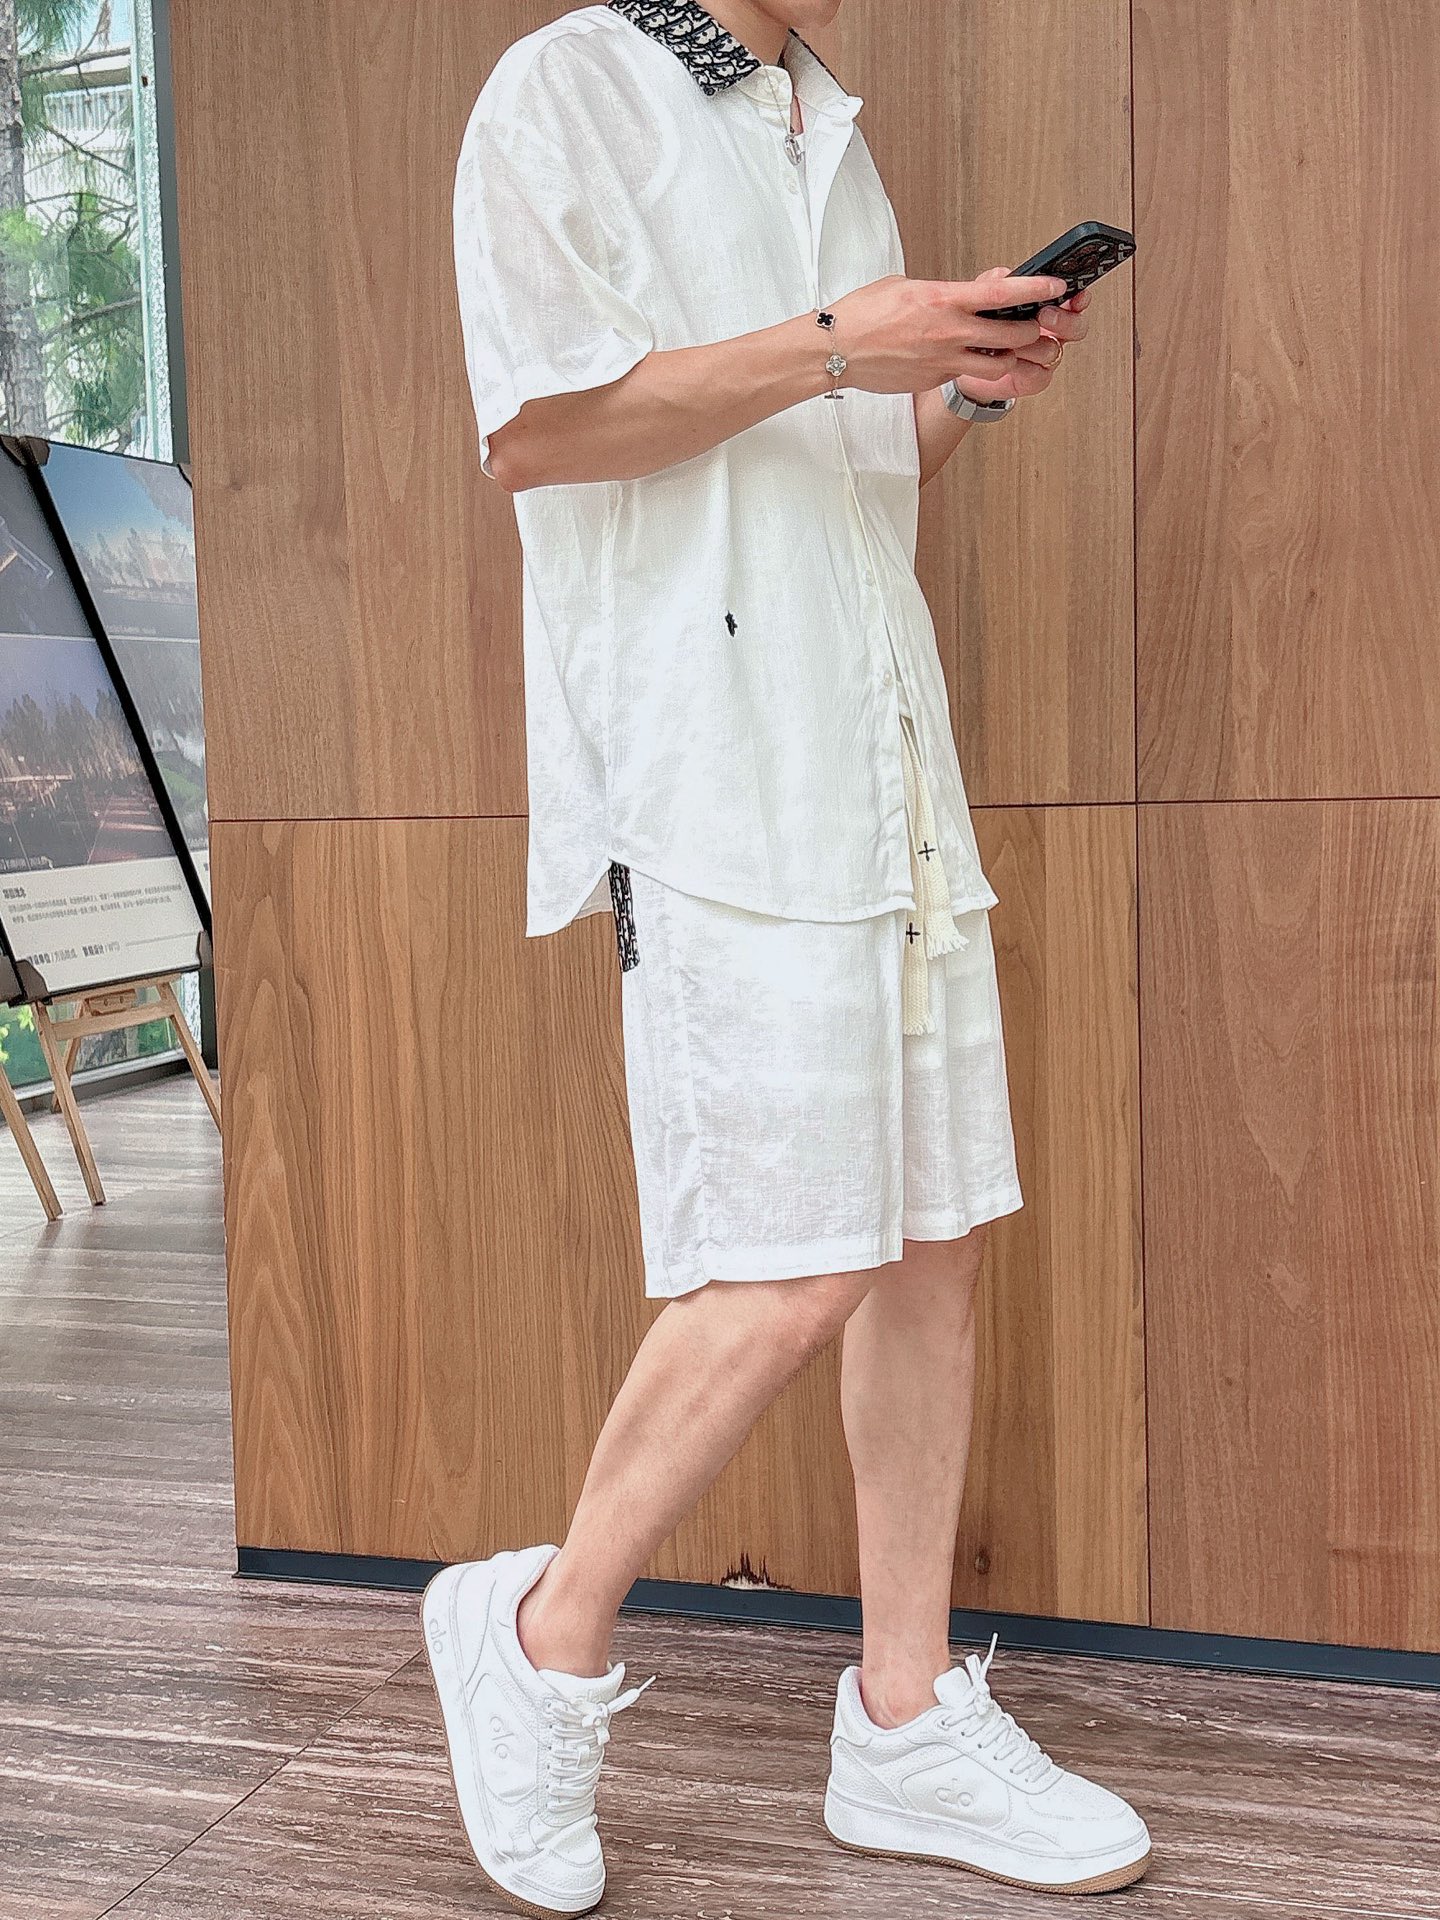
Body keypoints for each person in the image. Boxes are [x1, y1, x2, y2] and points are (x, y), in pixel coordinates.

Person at [426, 2, 1150, 1912]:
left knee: (928, 1236)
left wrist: (959, 387)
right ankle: (539, 1638)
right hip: (716, 772)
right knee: (793, 1256)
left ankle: (904, 1720)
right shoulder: (570, 86)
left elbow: (843, 469)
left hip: (881, 750)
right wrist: (847, 334)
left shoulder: (827, 127)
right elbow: (539, 430)